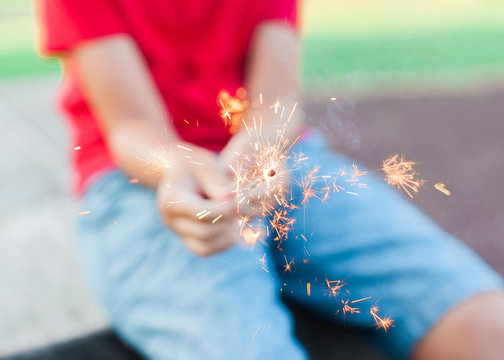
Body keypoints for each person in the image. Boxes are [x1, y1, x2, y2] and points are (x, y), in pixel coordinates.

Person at [36, 0, 504, 359]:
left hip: (284, 159)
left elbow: (275, 107)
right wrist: (177, 170)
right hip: (141, 184)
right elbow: (132, 127)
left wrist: (257, 154)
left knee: (486, 325)